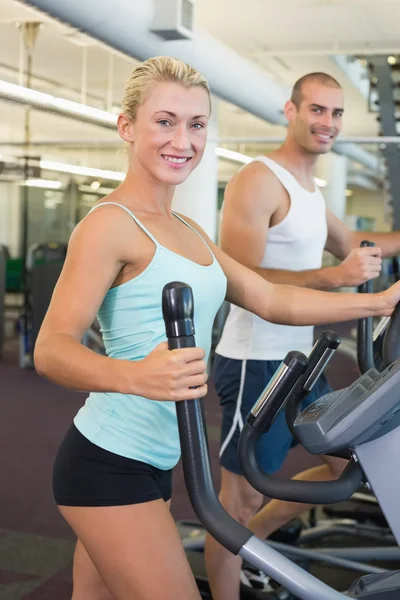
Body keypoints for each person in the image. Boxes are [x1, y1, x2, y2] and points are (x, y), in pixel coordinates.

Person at [34, 59, 400, 600]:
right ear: (127, 126)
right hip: (108, 463)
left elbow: (270, 298)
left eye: (196, 124)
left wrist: (379, 303)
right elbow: (51, 349)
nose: (182, 139)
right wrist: (136, 375)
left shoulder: (187, 230)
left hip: (157, 459)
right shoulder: (109, 225)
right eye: (165, 121)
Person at [205, 71, 400, 600]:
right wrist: (334, 278)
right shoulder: (259, 178)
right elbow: (238, 277)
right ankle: (229, 579)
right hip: (256, 362)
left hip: (303, 361)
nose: (328, 123)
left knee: (348, 469)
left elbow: (360, 243)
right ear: (290, 112)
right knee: (235, 503)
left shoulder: (310, 192)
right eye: (317, 110)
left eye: (336, 113)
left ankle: (258, 544)